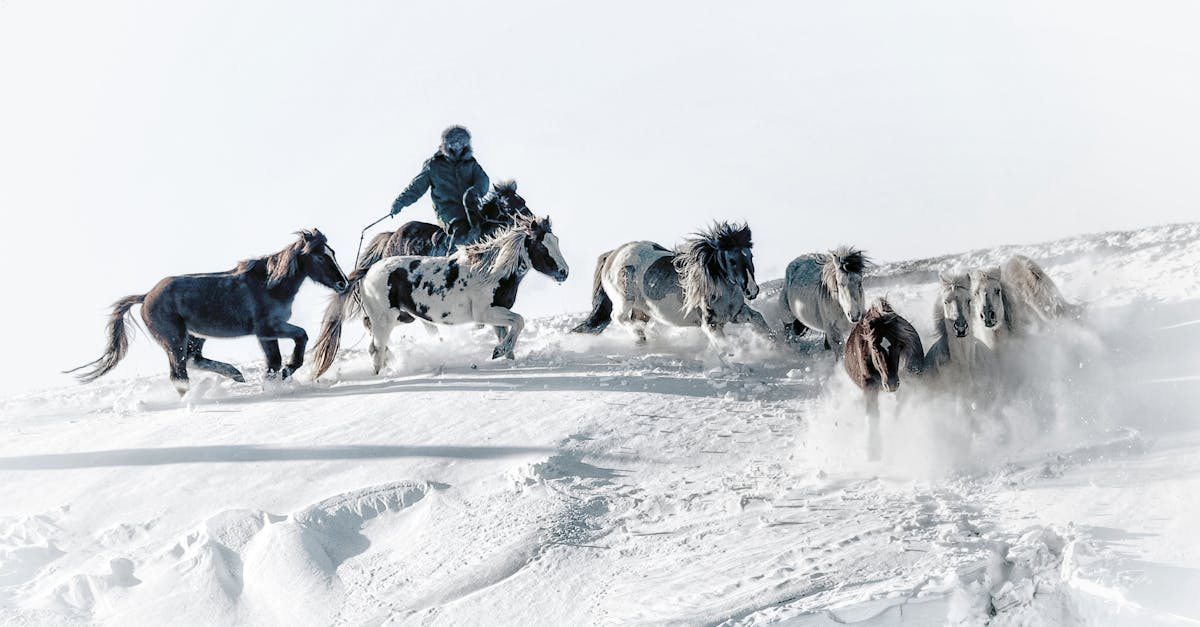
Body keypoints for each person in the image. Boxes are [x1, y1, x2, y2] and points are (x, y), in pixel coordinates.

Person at [390, 125, 490, 248]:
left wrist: (476, 191)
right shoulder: (434, 165)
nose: (457, 146)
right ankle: (453, 259)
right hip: (449, 212)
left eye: (461, 142)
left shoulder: (470, 163)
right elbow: (416, 187)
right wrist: (400, 203)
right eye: (454, 142)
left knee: (488, 226)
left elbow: (483, 180)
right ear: (447, 144)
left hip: (472, 208)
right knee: (461, 232)